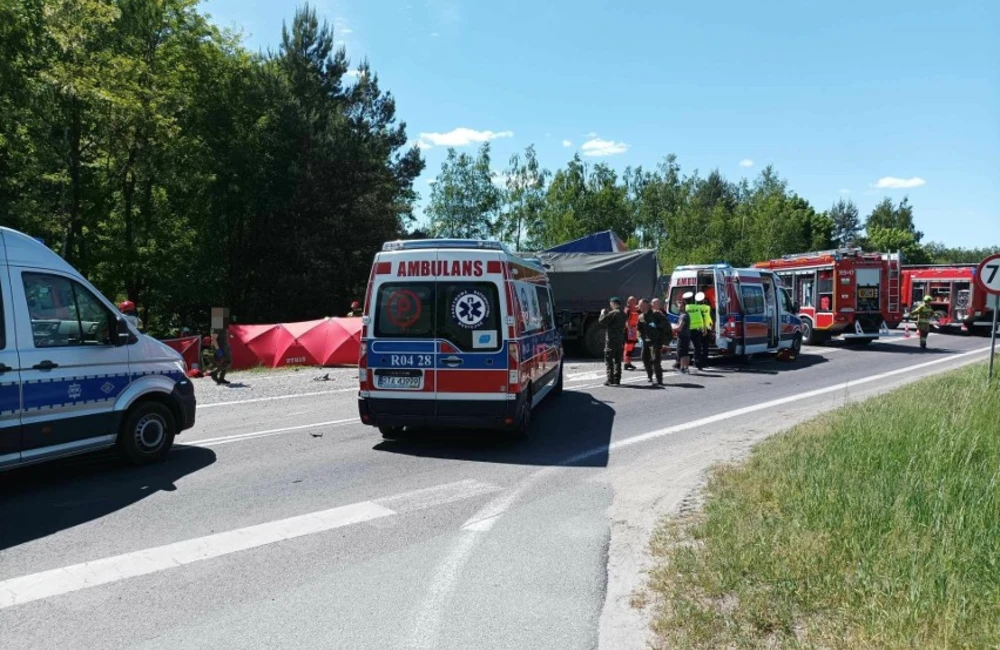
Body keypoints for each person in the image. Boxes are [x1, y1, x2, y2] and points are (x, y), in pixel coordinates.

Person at [638, 298, 671, 385]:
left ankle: (659, 380)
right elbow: (639, 328)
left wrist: (656, 325)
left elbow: (666, 324)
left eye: (641, 305)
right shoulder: (641, 316)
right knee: (644, 358)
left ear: (646, 305)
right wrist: (641, 337)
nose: (639, 307)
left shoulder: (656, 314)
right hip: (646, 341)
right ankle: (650, 375)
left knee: (656, 360)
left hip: (656, 341)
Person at [598, 296, 627, 386]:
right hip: (620, 339)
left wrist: (602, 313)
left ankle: (610, 379)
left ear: (613, 303)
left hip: (611, 340)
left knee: (609, 360)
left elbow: (602, 321)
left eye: (611, 304)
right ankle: (617, 379)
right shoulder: (623, 314)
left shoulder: (613, 313)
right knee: (618, 360)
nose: (610, 306)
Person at [685, 292, 708, 370]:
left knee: (684, 347)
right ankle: (697, 363)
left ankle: (681, 364)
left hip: (687, 331)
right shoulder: (698, 307)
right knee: (697, 347)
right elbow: (703, 318)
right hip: (696, 331)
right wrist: (704, 330)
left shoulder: (685, 308)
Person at [694, 291, 714, 368]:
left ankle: (697, 362)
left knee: (698, 347)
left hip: (697, 329)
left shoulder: (695, 308)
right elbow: (712, 319)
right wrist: (712, 330)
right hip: (706, 329)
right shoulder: (707, 308)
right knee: (705, 347)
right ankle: (704, 363)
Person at [675, 293, 693, 374]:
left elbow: (679, 328)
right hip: (686, 336)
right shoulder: (685, 314)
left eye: (680, 306)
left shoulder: (683, 316)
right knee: (686, 352)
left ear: (684, 307)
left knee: (681, 353)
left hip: (682, 336)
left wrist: (671, 327)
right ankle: (686, 368)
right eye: (678, 306)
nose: (678, 307)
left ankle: (682, 368)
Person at [623, 296, 639, 371]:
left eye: (635, 301)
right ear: (628, 302)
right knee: (628, 347)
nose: (635, 302)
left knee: (631, 347)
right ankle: (626, 363)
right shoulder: (628, 310)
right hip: (629, 331)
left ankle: (629, 362)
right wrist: (630, 331)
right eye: (633, 301)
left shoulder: (634, 309)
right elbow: (626, 321)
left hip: (633, 330)